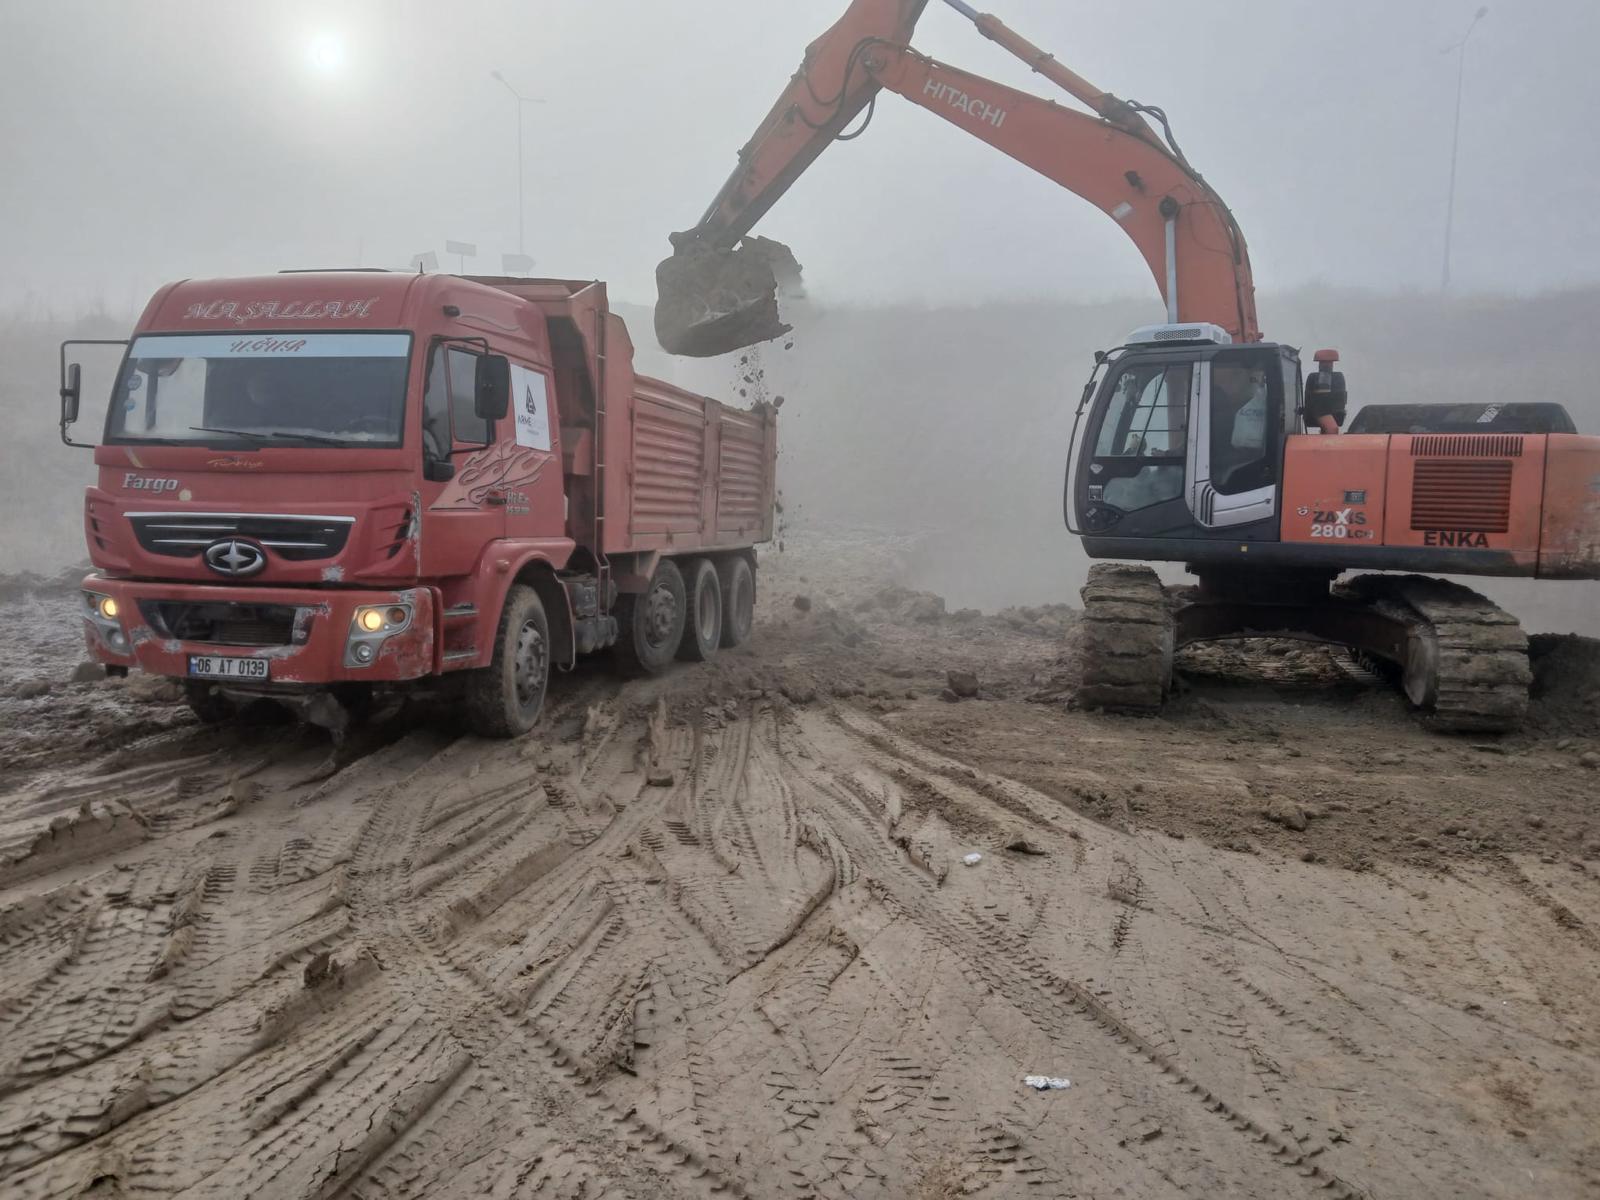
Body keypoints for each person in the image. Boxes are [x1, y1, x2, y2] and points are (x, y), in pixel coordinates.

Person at [1304, 349, 1347, 434]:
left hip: (1325, 414)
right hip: (1318, 412)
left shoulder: (1337, 379)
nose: (1325, 365)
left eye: (1327, 363)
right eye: (1323, 363)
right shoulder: (1313, 378)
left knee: (1331, 428)